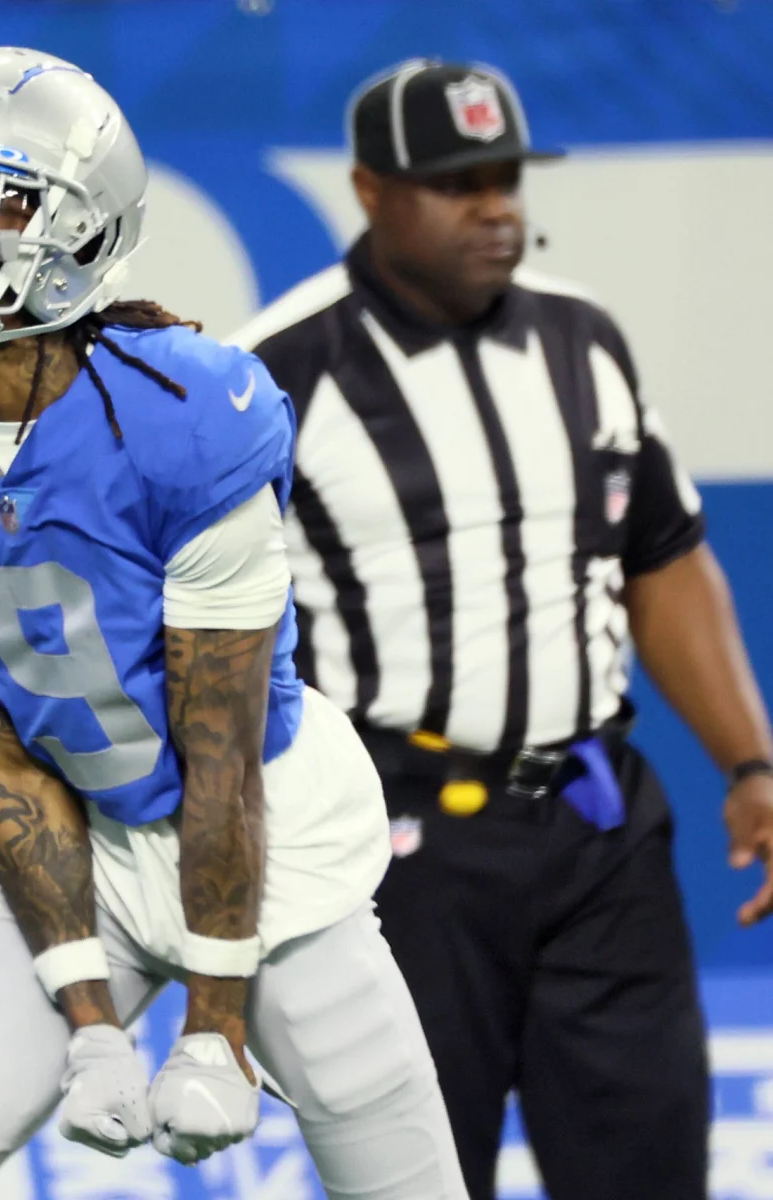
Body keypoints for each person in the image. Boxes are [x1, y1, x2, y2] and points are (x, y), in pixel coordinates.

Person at [0, 47, 467, 1200]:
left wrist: (212, 1024)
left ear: (77, 229)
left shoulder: (186, 416)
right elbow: (0, 743)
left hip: (268, 837)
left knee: (406, 1188)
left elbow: (216, 753)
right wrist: (89, 1020)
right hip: (85, 830)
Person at [229, 60, 773, 1200]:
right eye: (458, 182)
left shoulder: (585, 338)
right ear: (372, 190)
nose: (497, 209)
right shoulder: (274, 376)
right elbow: (211, 642)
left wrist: (750, 762)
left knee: (651, 1172)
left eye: (507, 179)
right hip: (397, 846)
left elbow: (662, 556)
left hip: (598, 824)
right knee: (419, 1179)